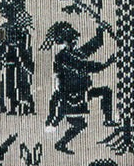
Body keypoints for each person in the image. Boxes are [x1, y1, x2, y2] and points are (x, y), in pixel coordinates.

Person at [43, 23, 115, 154]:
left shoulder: (76, 53)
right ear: (66, 41)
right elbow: (83, 65)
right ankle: (57, 134)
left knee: (105, 92)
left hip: (79, 91)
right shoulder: (64, 56)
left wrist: (100, 30)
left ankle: (108, 120)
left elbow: (94, 45)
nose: (75, 41)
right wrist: (106, 64)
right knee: (78, 122)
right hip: (71, 94)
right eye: (72, 39)